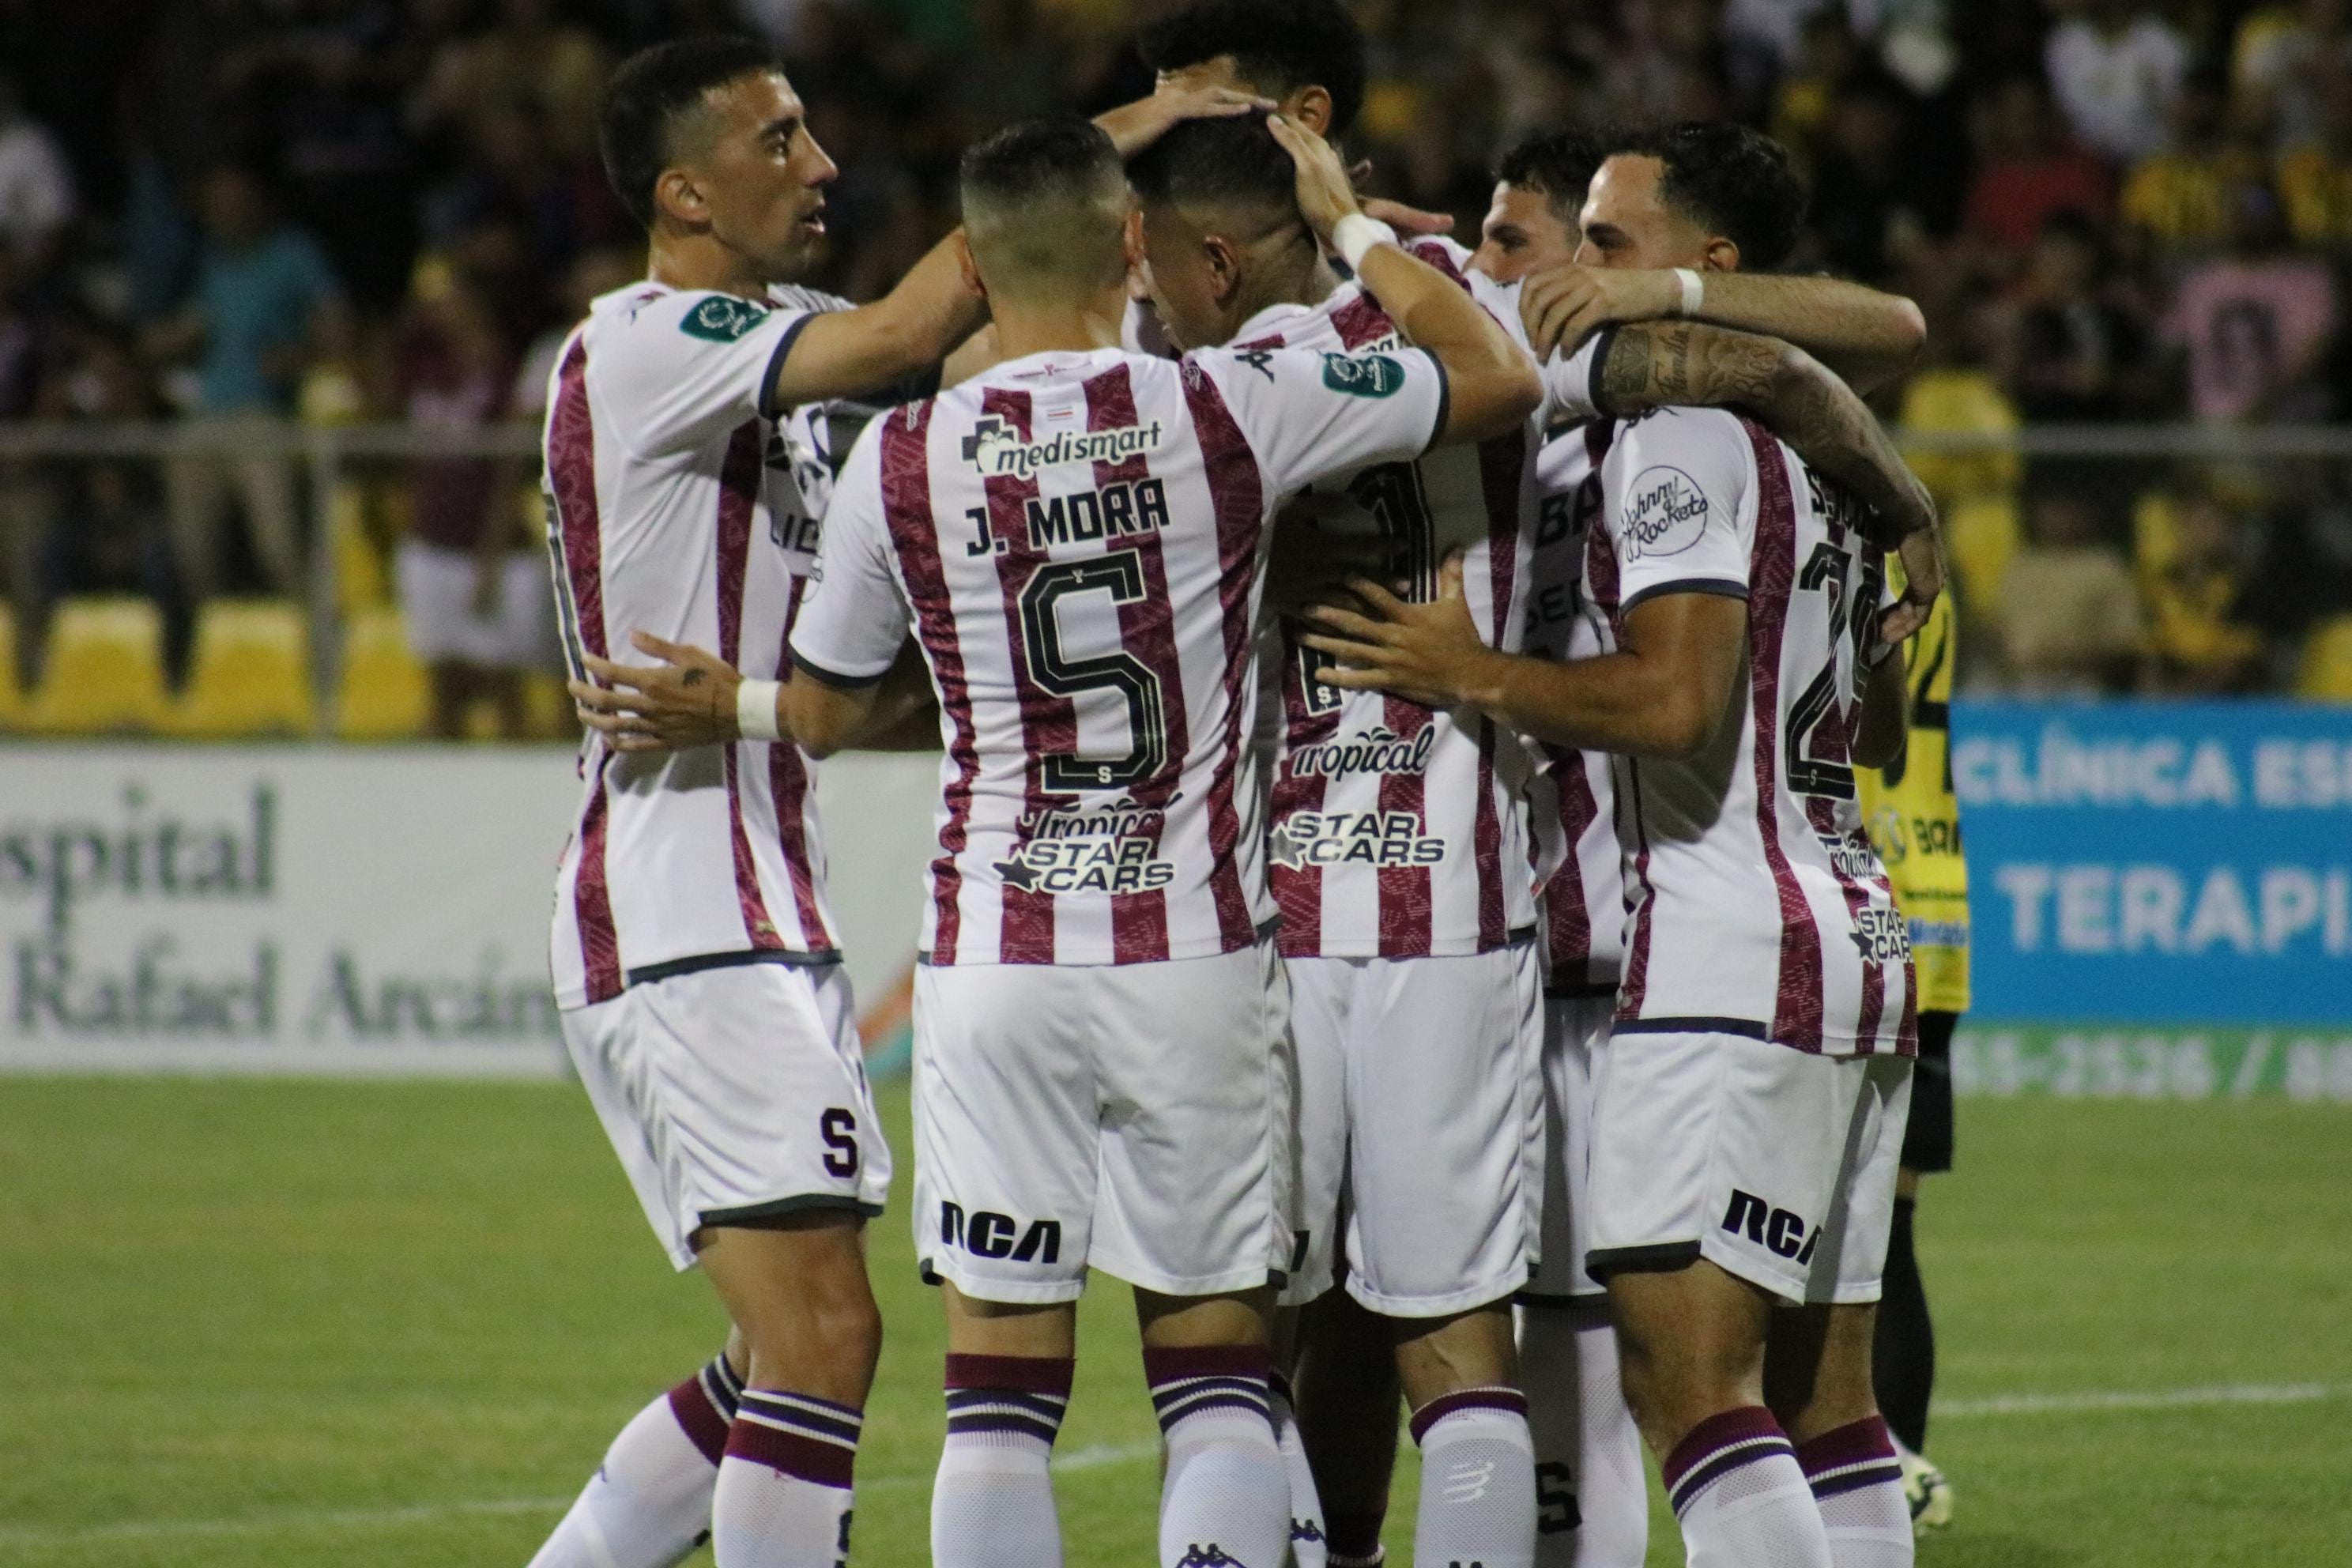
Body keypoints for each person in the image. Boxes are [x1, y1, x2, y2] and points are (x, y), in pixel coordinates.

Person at [777, 115, 1540, 1568]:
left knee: (995, 1400)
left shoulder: (899, 454)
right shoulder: (1233, 403)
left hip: (995, 953)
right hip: (1192, 952)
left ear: (974, 265)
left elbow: (823, 701)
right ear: (1130, 244)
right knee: (1217, 1390)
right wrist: (1347, 219)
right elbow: (1498, 372)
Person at [1295, 175, 1939, 1568]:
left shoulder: (1669, 428)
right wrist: (1894, 486)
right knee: (1818, 1398)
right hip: (1828, 925)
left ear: (1685, 265)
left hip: (1697, 948)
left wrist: (1466, 670)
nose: (1528, 267)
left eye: (1591, 239)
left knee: (1677, 1387)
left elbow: (1669, 704)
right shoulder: (1781, 448)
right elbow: (1874, 710)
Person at [522, 36, 989, 1568]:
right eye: (780, 141)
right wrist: (1118, 132)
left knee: (777, 1356)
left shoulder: (775, 343)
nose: (823, 166)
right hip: (679, 900)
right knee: (825, 1335)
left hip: (755, 895)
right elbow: (929, 316)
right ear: (685, 192)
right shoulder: (650, 340)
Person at [1856, 560, 1969, 1535]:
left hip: (1851, 885)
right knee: (1890, 1236)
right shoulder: (1925, 561)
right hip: (1933, 893)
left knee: (1825, 1236)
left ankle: (1866, 1484)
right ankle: (1891, 1487)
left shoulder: (1822, 535)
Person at [144, 160, 350, 605]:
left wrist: (301, 358)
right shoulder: (215, 265)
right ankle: (218, 642)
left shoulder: (294, 254)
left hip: (264, 417)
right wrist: (154, 340)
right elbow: (194, 325)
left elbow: (337, 329)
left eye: (234, 200)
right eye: (216, 204)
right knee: (190, 547)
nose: (225, 212)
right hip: (207, 415)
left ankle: (312, 647)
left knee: (278, 546)